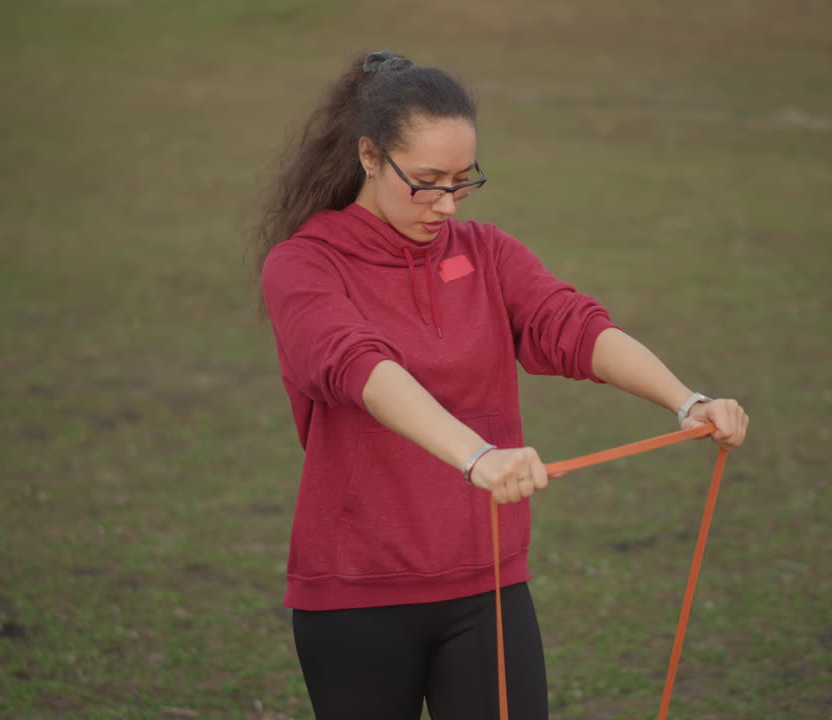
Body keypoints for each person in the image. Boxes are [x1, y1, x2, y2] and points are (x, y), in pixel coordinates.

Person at [254, 50, 748, 720]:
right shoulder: (303, 266)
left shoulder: (485, 252)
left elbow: (572, 325)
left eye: (463, 180)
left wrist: (685, 399)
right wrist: (477, 456)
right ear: (369, 157)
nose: (447, 204)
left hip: (486, 585)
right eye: (425, 181)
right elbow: (359, 366)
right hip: (356, 597)